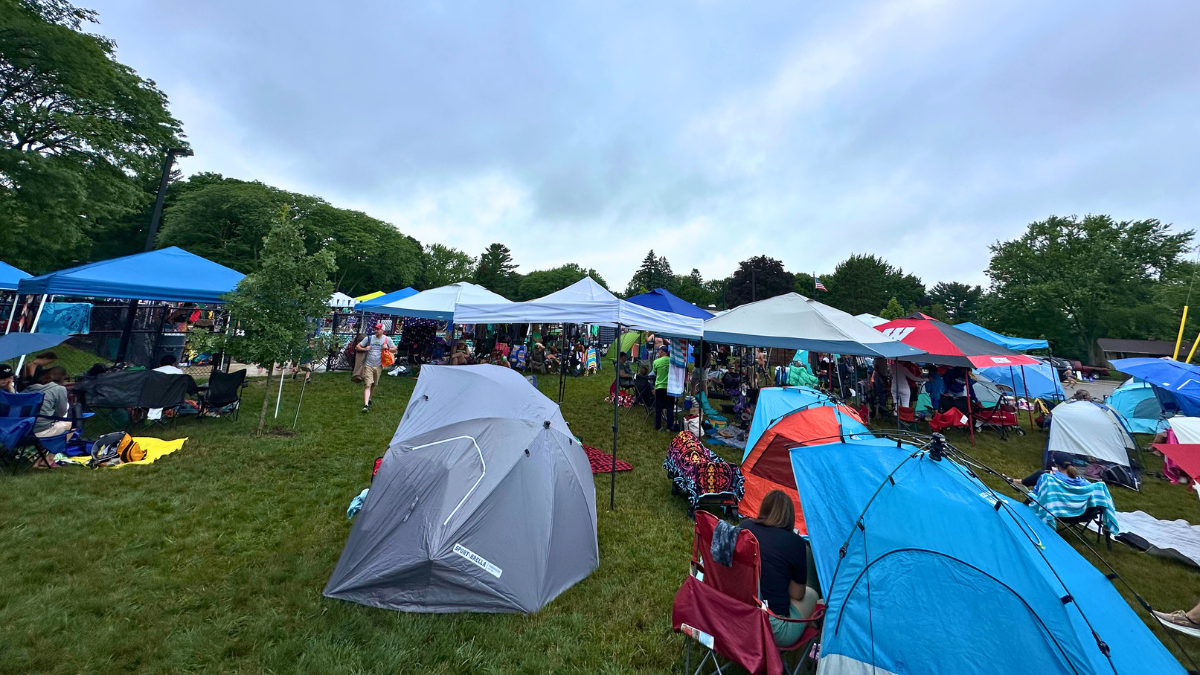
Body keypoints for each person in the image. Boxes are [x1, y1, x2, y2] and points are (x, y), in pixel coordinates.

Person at [741, 490, 818, 646]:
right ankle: (800, 666)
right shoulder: (795, 543)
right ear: (789, 517)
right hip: (771, 627)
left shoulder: (745, 527)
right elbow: (797, 594)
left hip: (738, 612)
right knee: (812, 596)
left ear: (763, 508)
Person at [25, 366, 71, 468]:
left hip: (22, 430)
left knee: (49, 425)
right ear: (63, 378)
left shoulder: (30, 388)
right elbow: (62, 412)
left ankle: (39, 459)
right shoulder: (59, 389)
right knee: (72, 426)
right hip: (40, 430)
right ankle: (48, 459)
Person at [355, 323, 396, 413]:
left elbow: (395, 349)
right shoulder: (369, 338)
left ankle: (369, 399)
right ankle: (365, 405)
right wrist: (365, 349)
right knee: (367, 384)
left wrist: (388, 348)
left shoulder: (387, 339)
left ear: (383, 330)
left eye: (378, 329)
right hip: (368, 365)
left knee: (374, 384)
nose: (375, 330)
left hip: (379, 365)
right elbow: (357, 347)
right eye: (375, 329)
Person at [653, 345, 676, 431]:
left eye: (659, 351)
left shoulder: (656, 362)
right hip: (670, 387)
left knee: (658, 407)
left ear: (663, 351)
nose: (658, 352)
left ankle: (658, 426)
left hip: (659, 386)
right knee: (670, 407)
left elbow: (655, 373)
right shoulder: (672, 361)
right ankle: (670, 427)